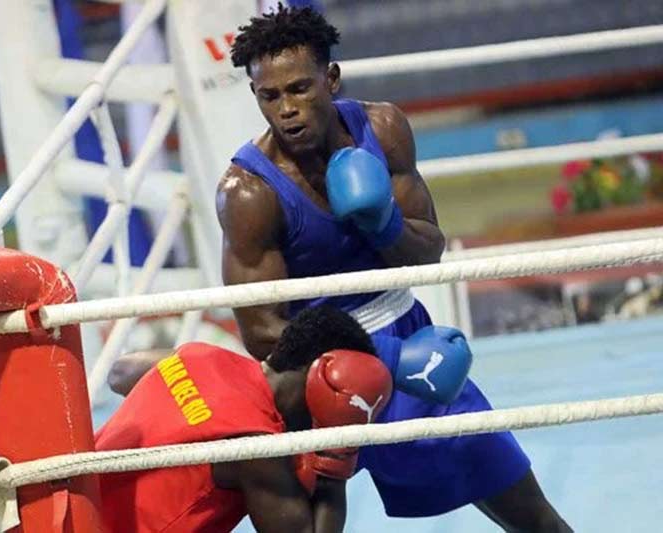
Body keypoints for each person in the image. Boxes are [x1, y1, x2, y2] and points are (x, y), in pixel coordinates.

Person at [216, 5, 571, 531]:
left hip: (406, 335)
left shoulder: (381, 130)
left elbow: (429, 248)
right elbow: (261, 331)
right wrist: (388, 356)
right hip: (311, 373)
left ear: (330, 80)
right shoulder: (249, 192)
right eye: (270, 96)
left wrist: (381, 222)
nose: (286, 109)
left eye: (298, 89)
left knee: (533, 517)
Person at [96, 305, 403, 532]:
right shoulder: (255, 444)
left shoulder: (200, 356)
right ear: (321, 376)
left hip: (67, 506)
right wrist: (337, 459)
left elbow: (119, 373)